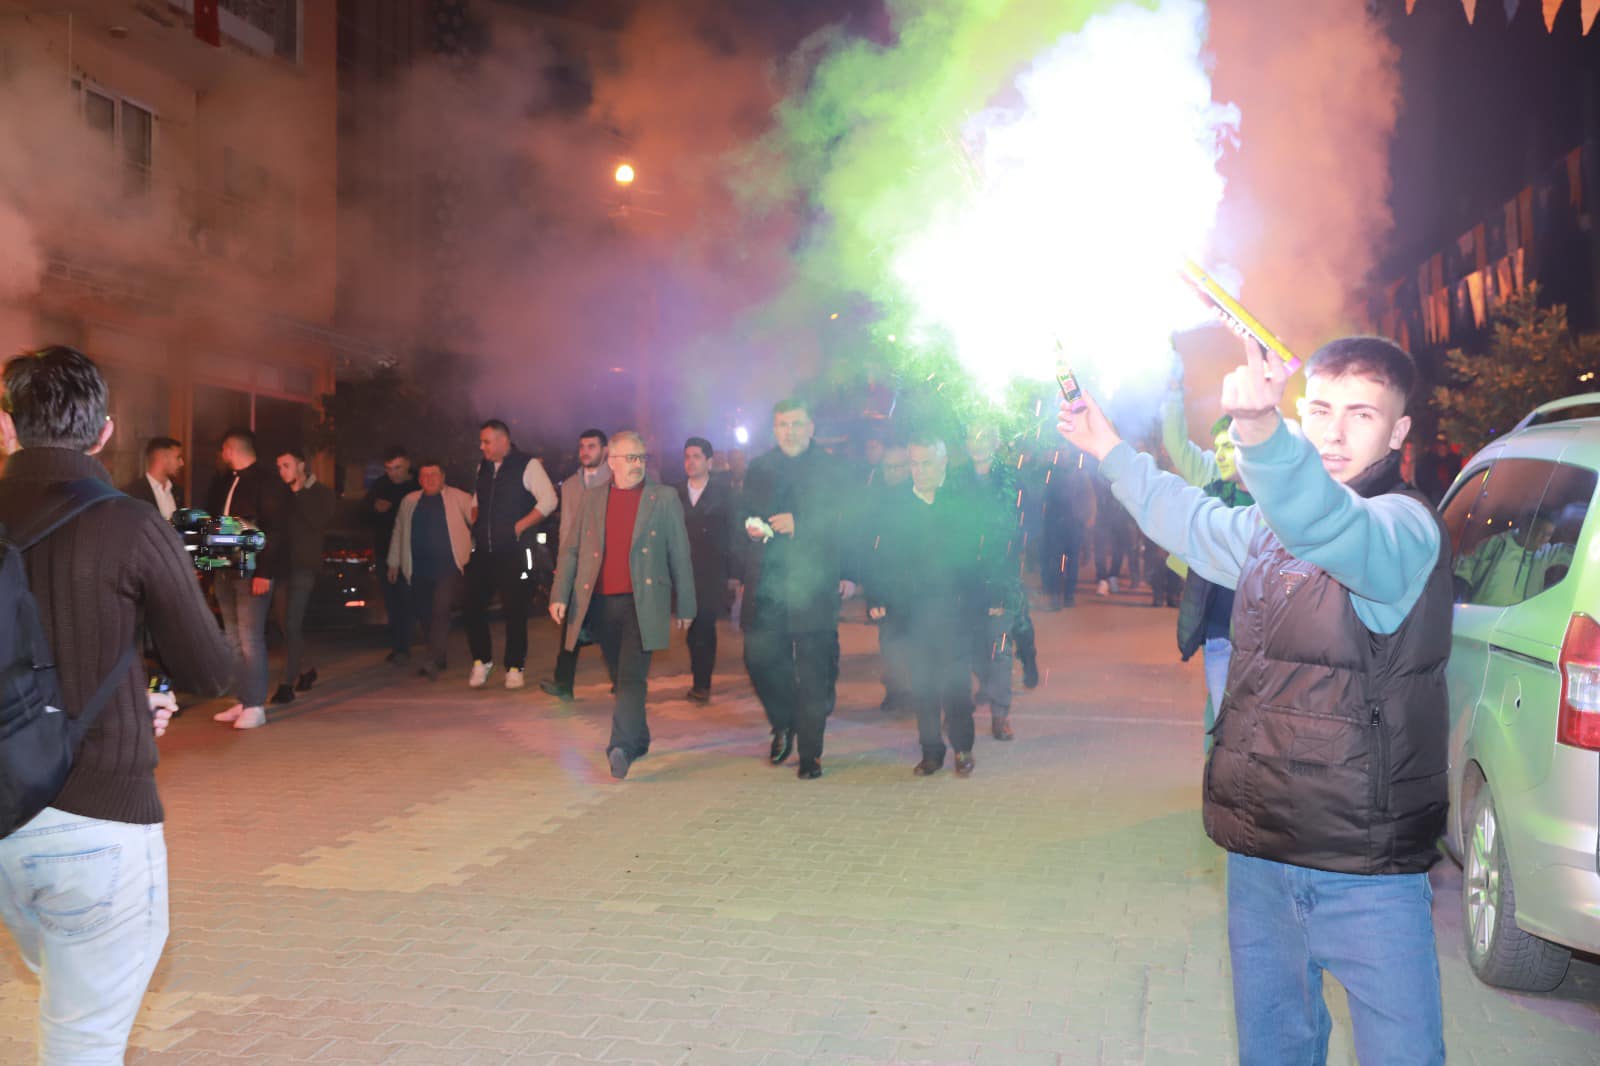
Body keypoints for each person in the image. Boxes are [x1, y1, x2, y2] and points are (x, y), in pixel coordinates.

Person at [1059, 336, 1451, 1065]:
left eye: (1361, 415)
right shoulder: (1270, 531)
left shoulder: (1403, 530)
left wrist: (1263, 435)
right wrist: (1106, 444)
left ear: (1398, 433)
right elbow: (1191, 520)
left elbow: (1331, 526)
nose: (1334, 432)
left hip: (1366, 875)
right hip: (1262, 857)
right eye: (1321, 410)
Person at [0, 346, 235, 1063]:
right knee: (83, 1038)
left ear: (6, 427)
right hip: (98, 818)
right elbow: (209, 667)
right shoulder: (130, 524)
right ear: (105, 432)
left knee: (67, 998)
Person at [549, 431, 695, 780]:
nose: (638, 464)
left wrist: (686, 604)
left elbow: (680, 553)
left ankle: (620, 747)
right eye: (631, 458)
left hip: (643, 604)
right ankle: (639, 736)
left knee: (631, 678)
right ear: (611, 462)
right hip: (600, 604)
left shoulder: (663, 498)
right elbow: (571, 550)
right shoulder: (592, 499)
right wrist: (559, 594)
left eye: (642, 457)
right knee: (619, 675)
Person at [868, 436, 1002, 776]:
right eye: (914, 463)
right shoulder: (896, 506)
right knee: (923, 687)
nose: (919, 471)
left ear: (943, 464)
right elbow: (880, 557)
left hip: (955, 614)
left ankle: (963, 748)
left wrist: (993, 597)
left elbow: (983, 555)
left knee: (956, 687)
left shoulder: (960, 503)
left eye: (926, 463)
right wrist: (878, 597)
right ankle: (931, 751)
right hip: (911, 616)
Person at [738, 399, 855, 780]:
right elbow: (743, 515)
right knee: (760, 660)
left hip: (814, 586)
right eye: (783, 424)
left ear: (811, 427)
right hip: (769, 587)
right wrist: (752, 526)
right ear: (774, 428)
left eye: (797, 423)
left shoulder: (832, 469)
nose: (790, 431)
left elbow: (846, 519)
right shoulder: (760, 468)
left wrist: (799, 523)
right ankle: (783, 721)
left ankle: (811, 754)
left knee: (813, 673)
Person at [1161, 379, 1254, 750]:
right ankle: (1217, 775)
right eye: (1217, 446)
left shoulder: (1277, 497)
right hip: (1219, 624)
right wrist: (1171, 392)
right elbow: (1176, 445)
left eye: (1228, 446)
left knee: (1236, 718)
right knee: (1221, 715)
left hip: (1260, 631)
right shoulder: (1210, 480)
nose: (1220, 454)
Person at [464, 419, 557, 690]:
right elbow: (476, 501)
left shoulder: (527, 465)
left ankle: (515, 666)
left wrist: (518, 527)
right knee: (472, 606)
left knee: (514, 609)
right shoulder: (483, 467)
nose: (482, 447)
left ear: (504, 440)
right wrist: (477, 523)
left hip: (515, 552)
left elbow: (549, 500)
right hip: (484, 551)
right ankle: (482, 660)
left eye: (487, 441)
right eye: (481, 442)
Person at [207, 427, 287, 730]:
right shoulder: (226, 482)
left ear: (231, 449)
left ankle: (255, 705)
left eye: (224, 450)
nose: (222, 456)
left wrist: (265, 571)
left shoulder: (266, 482)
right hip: (226, 569)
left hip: (251, 569)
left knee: (250, 638)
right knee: (232, 638)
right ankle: (243, 699)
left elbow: (275, 529)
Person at [960, 425, 1031, 737]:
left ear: (995, 440)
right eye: (973, 437)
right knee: (970, 650)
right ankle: (973, 696)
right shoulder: (956, 479)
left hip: (1000, 579)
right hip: (964, 582)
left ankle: (1001, 714)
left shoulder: (1010, 480)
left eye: (984, 436)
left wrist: (1002, 590)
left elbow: (1019, 535)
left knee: (1000, 649)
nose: (978, 443)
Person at [540, 429, 610, 701]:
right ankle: (563, 683)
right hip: (578, 565)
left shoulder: (615, 480)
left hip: (606, 566)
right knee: (571, 623)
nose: (585, 451)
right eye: (582, 446)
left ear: (604, 450)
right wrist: (563, 568)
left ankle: (622, 681)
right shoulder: (569, 485)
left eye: (591, 446)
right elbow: (566, 529)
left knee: (609, 627)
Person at [388, 460, 474, 680]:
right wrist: (394, 561)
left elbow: (478, 520)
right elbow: (399, 530)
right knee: (425, 614)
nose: (429, 479)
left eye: (434, 475)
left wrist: (473, 549)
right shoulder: (410, 501)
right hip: (418, 569)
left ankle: (433, 659)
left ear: (443, 477)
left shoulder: (459, 498)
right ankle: (439, 654)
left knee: (440, 610)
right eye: (425, 476)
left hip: (448, 567)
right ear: (419, 480)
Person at [270, 448, 335, 705]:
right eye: (279, 466)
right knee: (284, 623)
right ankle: (306, 668)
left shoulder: (321, 493)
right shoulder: (281, 494)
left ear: (301, 466)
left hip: (304, 566)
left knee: (293, 622)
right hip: (282, 566)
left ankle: (286, 684)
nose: (281, 471)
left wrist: (300, 492)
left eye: (286, 465)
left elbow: (317, 520)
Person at [677, 436, 739, 703]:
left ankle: (702, 683)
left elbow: (735, 534)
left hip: (712, 571)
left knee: (704, 624)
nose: (691, 462)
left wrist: (735, 574)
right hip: (682, 571)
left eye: (697, 457)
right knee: (691, 628)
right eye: (687, 456)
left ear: (709, 462)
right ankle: (699, 676)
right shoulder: (675, 494)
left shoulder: (724, 495)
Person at [364, 447, 420, 664]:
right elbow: (363, 512)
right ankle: (400, 646)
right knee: (393, 600)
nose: (393, 473)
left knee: (409, 599)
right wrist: (374, 508)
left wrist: (393, 508)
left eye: (397, 468)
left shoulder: (417, 484)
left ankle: (411, 643)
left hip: (412, 552)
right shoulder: (381, 485)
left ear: (407, 464)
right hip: (385, 552)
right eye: (388, 469)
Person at [124, 435, 184, 520]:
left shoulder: (178, 492)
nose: (182, 463)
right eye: (178, 457)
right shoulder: (132, 493)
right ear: (162, 457)